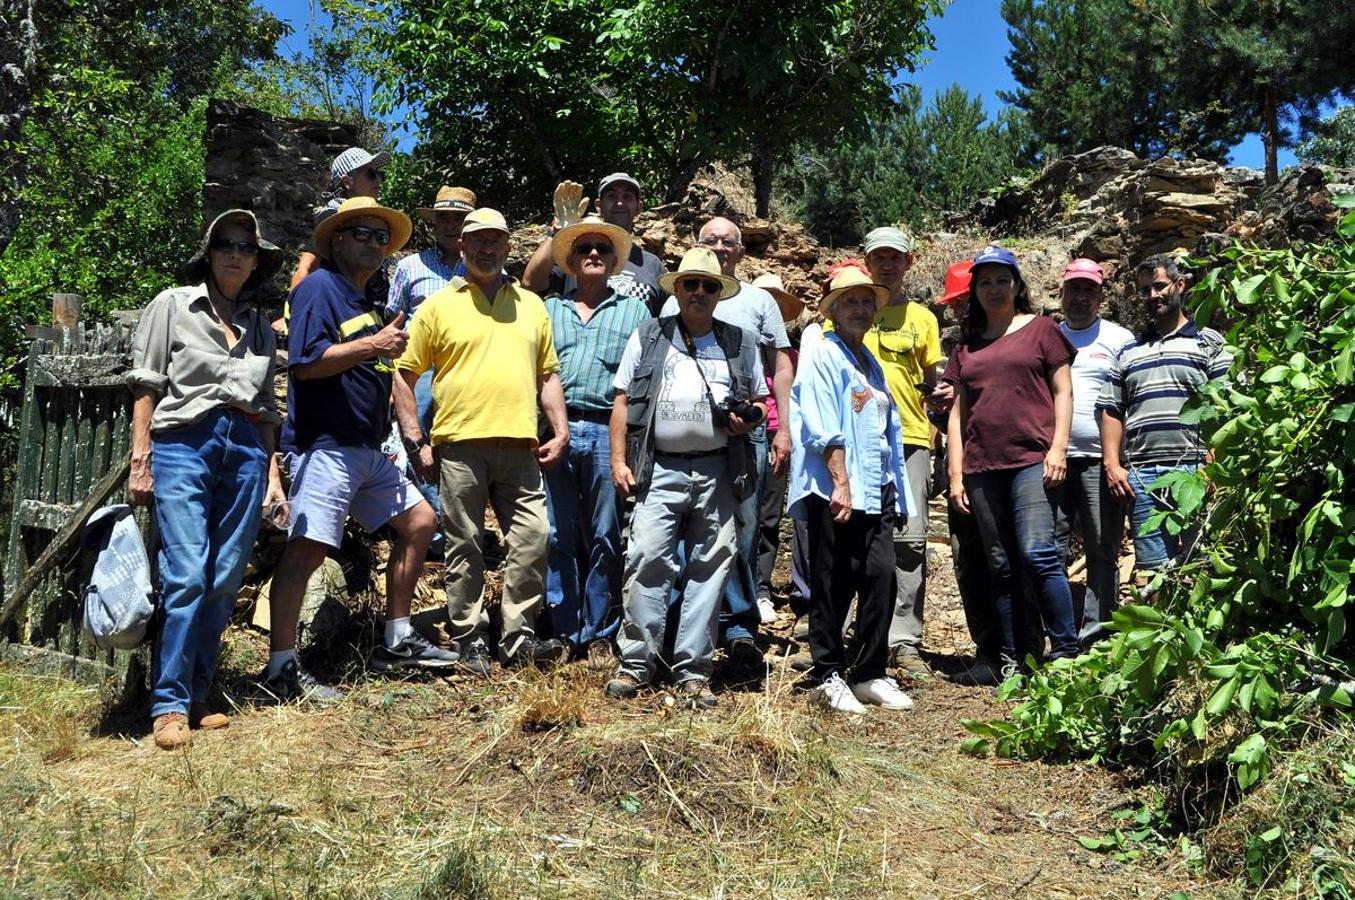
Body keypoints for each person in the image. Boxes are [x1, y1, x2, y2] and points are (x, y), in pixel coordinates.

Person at [265, 196, 457, 703]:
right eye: (363, 235)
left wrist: (411, 437)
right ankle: (281, 668)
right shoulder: (318, 290)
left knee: (419, 523)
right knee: (308, 549)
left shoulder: (367, 301)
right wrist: (373, 346)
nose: (374, 244)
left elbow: (386, 375)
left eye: (381, 237)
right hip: (326, 445)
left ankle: (396, 639)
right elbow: (305, 365)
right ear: (338, 239)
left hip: (368, 449)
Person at [128, 210, 288, 750]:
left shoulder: (259, 327)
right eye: (227, 244)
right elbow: (148, 385)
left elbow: (266, 410)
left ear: (256, 262)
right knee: (188, 573)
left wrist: (272, 476)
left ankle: (199, 692)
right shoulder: (173, 305)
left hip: (244, 448)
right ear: (210, 251)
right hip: (185, 446)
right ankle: (168, 703)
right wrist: (140, 457)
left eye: (247, 248)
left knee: (223, 578)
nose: (237, 255)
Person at [393, 208, 568, 675]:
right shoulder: (436, 307)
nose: (487, 249)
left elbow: (546, 373)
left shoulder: (531, 304)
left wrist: (561, 426)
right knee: (464, 542)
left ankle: (517, 638)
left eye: (496, 241)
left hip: (520, 444)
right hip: (459, 444)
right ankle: (469, 637)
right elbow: (403, 377)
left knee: (534, 537)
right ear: (463, 248)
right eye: (478, 241)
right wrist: (416, 441)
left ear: (509, 247)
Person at [605, 248, 768, 709]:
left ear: (720, 293)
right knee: (646, 558)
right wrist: (620, 461)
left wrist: (748, 420)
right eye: (690, 284)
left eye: (709, 286)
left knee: (710, 568)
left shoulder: (739, 342)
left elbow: (758, 399)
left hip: (719, 467)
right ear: (676, 289)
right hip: (659, 467)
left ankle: (693, 669)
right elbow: (621, 402)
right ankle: (637, 662)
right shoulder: (649, 335)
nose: (699, 293)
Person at [660, 217, 794, 664]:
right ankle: (685, 620)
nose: (719, 247)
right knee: (686, 527)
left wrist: (782, 428)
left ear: (741, 252)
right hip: (686, 435)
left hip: (746, 432)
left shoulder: (758, 302)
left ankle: (738, 624)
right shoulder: (671, 304)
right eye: (710, 240)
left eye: (728, 241)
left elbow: (779, 366)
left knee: (744, 522)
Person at [943, 246, 1080, 670]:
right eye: (985, 281)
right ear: (974, 290)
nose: (994, 288)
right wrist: (955, 473)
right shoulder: (967, 346)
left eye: (1002, 280)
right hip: (982, 468)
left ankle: (1064, 651)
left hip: (1031, 461)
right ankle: (1012, 657)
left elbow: (1064, 391)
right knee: (999, 563)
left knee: (1038, 553)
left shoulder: (1042, 329)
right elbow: (956, 412)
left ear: (1017, 285)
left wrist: (1059, 447)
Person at [789, 267, 917, 715]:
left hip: (875, 486)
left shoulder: (870, 362)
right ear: (834, 310)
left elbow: (887, 434)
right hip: (836, 488)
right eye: (850, 301)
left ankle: (869, 672)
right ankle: (829, 673)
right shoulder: (824, 354)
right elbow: (819, 423)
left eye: (866, 301)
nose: (860, 309)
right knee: (832, 580)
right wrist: (839, 482)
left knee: (880, 574)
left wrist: (898, 491)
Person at [540, 217, 650, 665]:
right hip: (556, 432)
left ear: (613, 262)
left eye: (602, 251)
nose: (593, 255)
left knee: (606, 532)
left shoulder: (635, 313)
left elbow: (641, 382)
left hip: (608, 431)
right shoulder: (549, 309)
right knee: (557, 531)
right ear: (569, 260)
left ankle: (600, 630)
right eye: (584, 248)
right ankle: (565, 629)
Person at [1098, 254, 1232, 591]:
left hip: (1194, 472)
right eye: (1145, 290)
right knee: (1152, 576)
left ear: (1180, 285)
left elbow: (1227, 407)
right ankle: (1160, 641)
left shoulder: (1209, 341)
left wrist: (1213, 462)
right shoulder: (1128, 351)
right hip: (1143, 477)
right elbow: (1111, 409)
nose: (1153, 295)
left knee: (1202, 565)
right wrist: (1112, 465)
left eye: (1159, 286)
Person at [860, 226, 943, 675]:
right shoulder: (850, 310)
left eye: (896, 258)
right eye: (880, 258)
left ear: (909, 262)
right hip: (859, 441)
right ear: (866, 262)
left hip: (910, 437)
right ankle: (861, 633)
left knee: (910, 541)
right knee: (859, 539)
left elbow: (937, 383)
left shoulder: (923, 319)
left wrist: (939, 415)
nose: (887, 265)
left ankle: (905, 640)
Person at [386, 185, 478, 548]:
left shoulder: (483, 266)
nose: (451, 225)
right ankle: (437, 530)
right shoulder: (409, 267)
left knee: (464, 450)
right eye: (444, 218)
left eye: (459, 218)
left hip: (468, 370)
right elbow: (394, 323)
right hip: (420, 372)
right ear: (434, 223)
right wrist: (392, 381)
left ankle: (462, 527)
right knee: (419, 448)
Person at [1055, 258, 1135, 645]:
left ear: (1101, 296)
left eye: (1089, 290)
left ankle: (1098, 636)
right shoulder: (1048, 336)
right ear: (1061, 293)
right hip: (1053, 461)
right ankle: (1057, 634)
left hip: (1100, 462)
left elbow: (1129, 398)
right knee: (1049, 551)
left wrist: (1117, 458)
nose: (1081, 298)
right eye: (1075, 289)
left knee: (1103, 550)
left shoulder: (1120, 340)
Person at [522, 173, 665, 312]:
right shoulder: (578, 253)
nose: (620, 202)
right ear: (599, 206)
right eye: (612, 196)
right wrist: (558, 231)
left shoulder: (652, 265)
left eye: (627, 196)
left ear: (638, 207)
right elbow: (531, 284)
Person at [749, 273, 804, 622]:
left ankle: (762, 587)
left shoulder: (794, 355)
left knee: (769, 513)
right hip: (746, 433)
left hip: (777, 434)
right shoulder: (739, 345)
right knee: (740, 514)